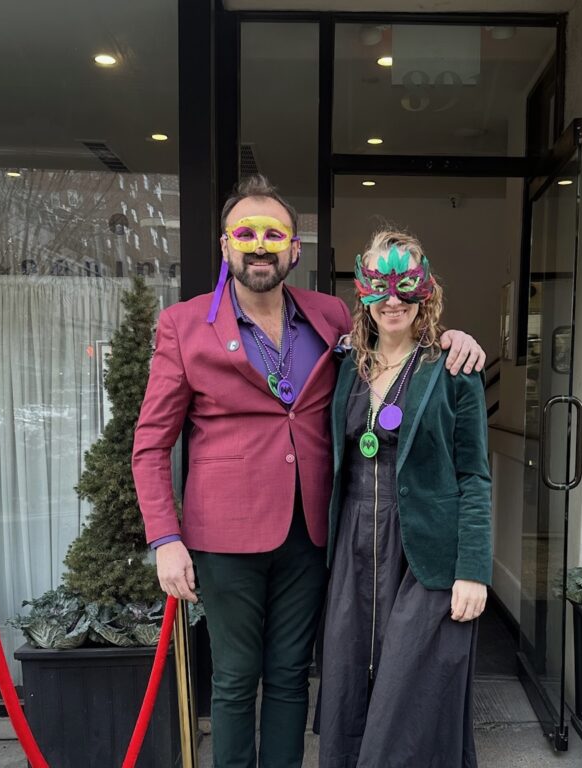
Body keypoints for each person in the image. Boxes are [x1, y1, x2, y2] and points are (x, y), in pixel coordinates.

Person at [131, 175, 485, 768]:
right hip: (225, 536)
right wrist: (166, 539)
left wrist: (452, 337)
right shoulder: (185, 325)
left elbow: (399, 337)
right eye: (246, 233)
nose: (260, 245)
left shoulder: (328, 320)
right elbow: (150, 443)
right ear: (226, 246)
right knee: (237, 679)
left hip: (314, 534)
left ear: (296, 249)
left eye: (275, 234)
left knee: (295, 676)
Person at [318, 230, 492, 768]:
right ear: (363, 292)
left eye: (406, 285)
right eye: (379, 284)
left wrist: (474, 569)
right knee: (347, 689)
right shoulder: (343, 365)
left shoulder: (454, 369)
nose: (393, 299)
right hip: (353, 542)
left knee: (408, 696)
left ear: (427, 290)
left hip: (424, 549)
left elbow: (475, 477)